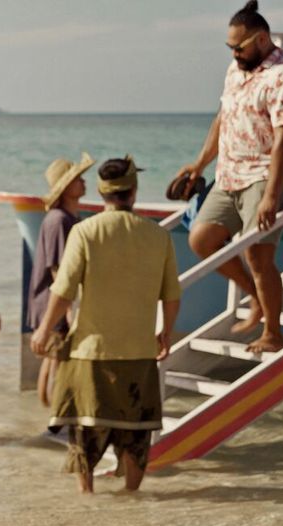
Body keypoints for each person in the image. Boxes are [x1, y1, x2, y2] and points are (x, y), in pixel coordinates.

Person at [30, 156, 181, 493]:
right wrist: (166, 332)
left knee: (85, 440)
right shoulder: (158, 236)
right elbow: (171, 295)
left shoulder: (85, 231)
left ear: (101, 192)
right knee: (136, 440)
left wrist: (42, 330)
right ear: (134, 191)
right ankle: (131, 502)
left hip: (90, 355)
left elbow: (64, 291)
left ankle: (89, 507)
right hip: (139, 355)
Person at [173, 0, 283, 353]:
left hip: (272, 174)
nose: (234, 53)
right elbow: (223, 118)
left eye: (239, 46)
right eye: (230, 47)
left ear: (262, 39)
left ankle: (273, 332)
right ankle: (256, 297)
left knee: (258, 255)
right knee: (201, 240)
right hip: (231, 174)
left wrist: (270, 196)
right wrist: (199, 164)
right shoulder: (236, 71)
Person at [27, 153, 92, 407]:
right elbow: (59, 270)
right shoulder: (60, 220)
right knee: (56, 363)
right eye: (78, 178)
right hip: (53, 303)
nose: (83, 182)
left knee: (52, 361)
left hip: (52, 302)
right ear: (65, 187)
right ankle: (56, 417)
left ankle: (52, 419)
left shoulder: (66, 218)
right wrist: (68, 311)